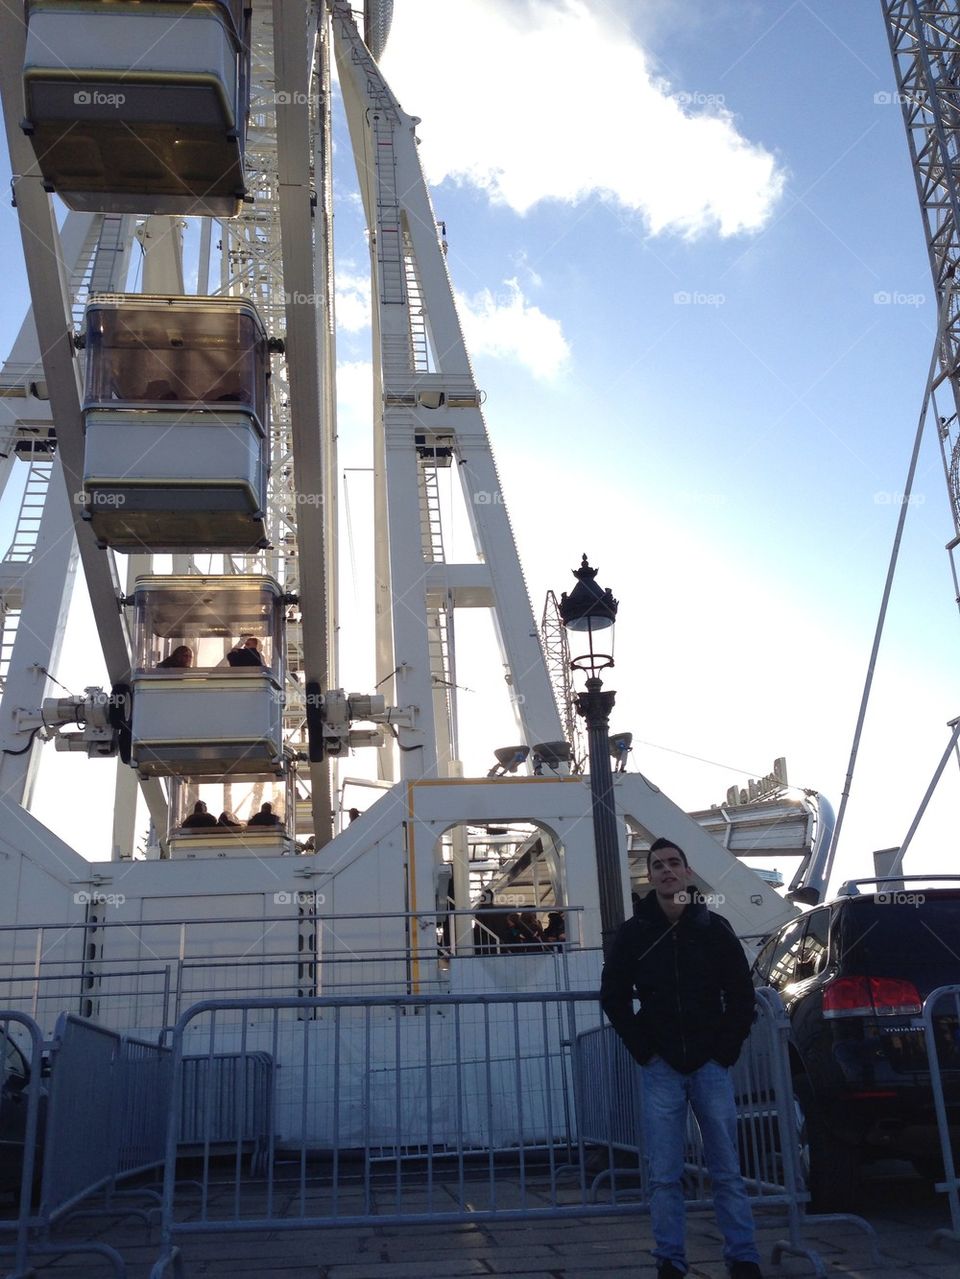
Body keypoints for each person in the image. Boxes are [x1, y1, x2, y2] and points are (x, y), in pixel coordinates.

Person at [600, 837, 762, 1279]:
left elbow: (742, 994)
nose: (667, 870)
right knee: (664, 1173)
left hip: (710, 1064)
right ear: (649, 876)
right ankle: (670, 1260)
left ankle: (743, 1258)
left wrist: (726, 1049)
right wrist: (646, 1051)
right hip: (663, 1067)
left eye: (674, 863)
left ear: (687, 873)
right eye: (658, 865)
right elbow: (613, 997)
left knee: (727, 1169)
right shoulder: (634, 934)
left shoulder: (715, 927)